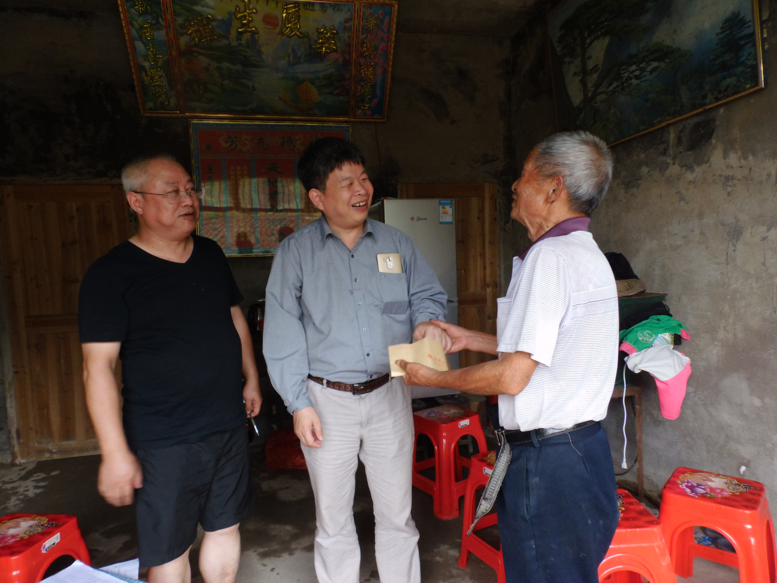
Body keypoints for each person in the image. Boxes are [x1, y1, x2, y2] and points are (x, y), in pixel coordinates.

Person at [398, 131, 620, 583]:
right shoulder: (584, 254)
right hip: (582, 454)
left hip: (549, 464)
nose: (515, 186)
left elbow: (513, 376)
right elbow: (547, 348)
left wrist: (432, 378)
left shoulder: (550, 258)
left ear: (554, 188)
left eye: (524, 175)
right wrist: (470, 339)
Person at [263, 137, 449, 583]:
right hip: (326, 402)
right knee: (333, 521)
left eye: (363, 178)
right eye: (346, 182)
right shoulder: (295, 253)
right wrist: (298, 404)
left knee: (397, 515)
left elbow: (427, 294)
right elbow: (282, 332)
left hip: (389, 393)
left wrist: (428, 322)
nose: (361, 189)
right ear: (318, 197)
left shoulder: (396, 242)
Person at [78, 155, 261, 583]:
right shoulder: (111, 274)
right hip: (164, 438)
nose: (188, 199)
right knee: (170, 548)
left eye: (191, 189)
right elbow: (97, 368)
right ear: (136, 201)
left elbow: (234, 317)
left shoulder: (210, 253)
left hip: (226, 423)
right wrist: (115, 452)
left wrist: (251, 377)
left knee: (225, 526)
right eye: (173, 191)